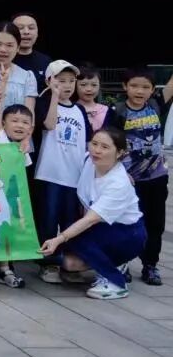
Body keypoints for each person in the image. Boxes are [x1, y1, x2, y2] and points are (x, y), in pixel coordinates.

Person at [40, 127, 146, 300]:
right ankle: (114, 263)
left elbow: (89, 220)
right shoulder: (88, 160)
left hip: (126, 235)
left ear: (120, 153)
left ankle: (116, 282)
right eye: (94, 144)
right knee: (69, 263)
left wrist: (59, 239)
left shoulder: (118, 183)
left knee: (72, 239)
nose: (97, 150)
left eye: (105, 147)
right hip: (100, 229)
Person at [112, 67, 173, 285]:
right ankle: (123, 263)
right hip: (129, 180)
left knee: (155, 224)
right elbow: (111, 143)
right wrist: (119, 173)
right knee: (126, 223)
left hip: (157, 177)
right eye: (135, 86)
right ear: (125, 87)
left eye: (146, 87)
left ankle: (150, 266)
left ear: (152, 90)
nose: (140, 91)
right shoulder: (117, 111)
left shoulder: (156, 105)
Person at [34, 61, 93, 285]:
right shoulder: (44, 103)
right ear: (49, 81)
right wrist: (54, 96)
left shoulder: (79, 110)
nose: (67, 85)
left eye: (71, 81)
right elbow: (49, 125)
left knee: (71, 221)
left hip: (74, 176)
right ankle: (48, 263)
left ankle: (69, 263)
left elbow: (87, 142)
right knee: (48, 219)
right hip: (50, 174)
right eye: (60, 81)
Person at [0, 101, 34, 289]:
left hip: (10, 199)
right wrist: (1, 90)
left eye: (25, 122)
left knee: (6, 231)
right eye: (15, 120)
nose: (20, 125)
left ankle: (5, 269)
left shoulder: (23, 149)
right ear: (4, 123)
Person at [12, 13, 52, 92]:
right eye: (20, 28)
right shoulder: (3, 59)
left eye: (31, 28)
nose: (26, 32)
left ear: (37, 33)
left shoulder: (46, 61)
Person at [76, 63, 121, 132]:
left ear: (100, 86)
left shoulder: (109, 112)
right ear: (75, 86)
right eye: (83, 85)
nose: (89, 89)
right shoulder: (69, 109)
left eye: (94, 85)